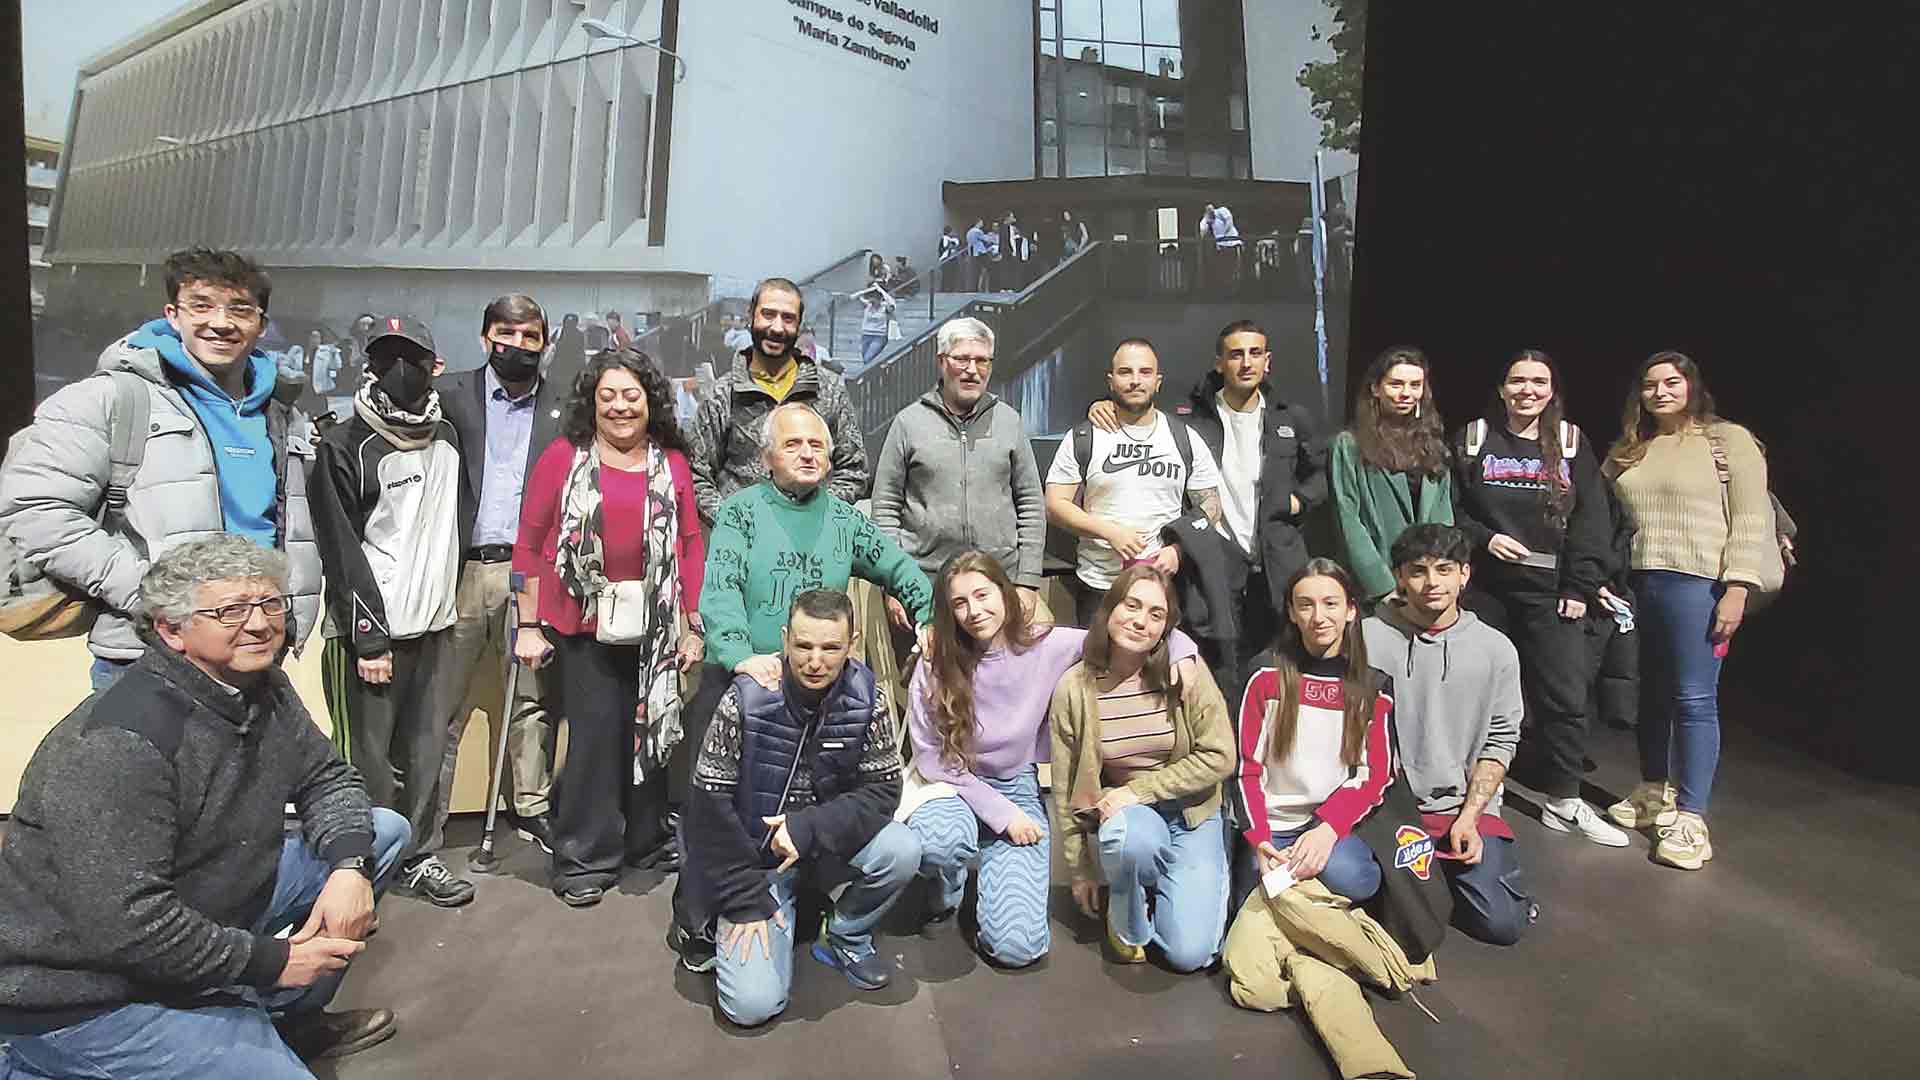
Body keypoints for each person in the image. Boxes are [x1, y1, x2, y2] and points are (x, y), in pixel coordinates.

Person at [0, 536, 409, 1077]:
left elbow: (327, 779)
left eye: (269, 603)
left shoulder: (263, 688)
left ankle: (281, 1019)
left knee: (380, 833)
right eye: (231, 611)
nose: (261, 624)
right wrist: (273, 962)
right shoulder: (120, 742)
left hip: (194, 908)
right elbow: (130, 925)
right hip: (87, 991)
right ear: (171, 631)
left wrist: (349, 868)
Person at [0, 247, 322, 691]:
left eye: (240, 309)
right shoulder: (110, 400)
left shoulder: (282, 415)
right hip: (150, 657)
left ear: (261, 325)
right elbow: (35, 509)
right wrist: (151, 596)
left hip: (258, 653)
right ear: (173, 314)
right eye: (202, 305)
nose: (222, 322)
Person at [903, 551, 1203, 967]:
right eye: (959, 603)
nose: (974, 611)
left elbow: (1121, 633)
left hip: (1015, 784)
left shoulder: (1045, 644)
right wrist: (1000, 814)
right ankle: (946, 883)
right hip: (950, 786)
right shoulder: (936, 660)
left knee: (1017, 949)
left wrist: (1182, 647)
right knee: (941, 840)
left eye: (982, 595)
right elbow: (933, 759)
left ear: (1004, 594)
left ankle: (993, 874)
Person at [512, 348, 706, 906]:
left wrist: (693, 627)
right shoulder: (562, 457)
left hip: (656, 624)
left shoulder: (671, 462)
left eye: (631, 395)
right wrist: (528, 623)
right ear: (590, 403)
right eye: (608, 397)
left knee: (651, 730)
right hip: (581, 622)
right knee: (597, 738)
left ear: (650, 402)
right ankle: (583, 858)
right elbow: (528, 542)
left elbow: (690, 545)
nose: (620, 407)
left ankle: (643, 843)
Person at [674, 589, 920, 1025]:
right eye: (803, 646)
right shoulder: (745, 698)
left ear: (853, 643)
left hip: (819, 847)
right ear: (786, 638)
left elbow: (883, 789)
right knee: (751, 1006)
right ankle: (764, 917)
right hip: (754, 865)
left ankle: (845, 935)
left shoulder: (869, 697)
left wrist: (807, 828)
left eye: (831, 648)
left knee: (902, 849)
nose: (815, 660)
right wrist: (745, 898)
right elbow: (708, 808)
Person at [308, 316, 474, 909]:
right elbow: (339, 547)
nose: (398, 369)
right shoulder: (343, 444)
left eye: (411, 357)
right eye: (387, 357)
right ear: (371, 364)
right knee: (366, 764)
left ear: (432, 365)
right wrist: (368, 640)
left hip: (435, 628)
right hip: (371, 640)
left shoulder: (450, 438)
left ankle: (420, 857)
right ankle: (356, 869)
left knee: (426, 751)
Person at [1451, 349, 1630, 847]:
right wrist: (1485, 539)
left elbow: (1594, 519)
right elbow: (1451, 509)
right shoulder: (1474, 439)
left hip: (1553, 591)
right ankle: (1482, 793)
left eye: (1539, 381)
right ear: (1502, 387)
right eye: (1518, 380)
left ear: (1552, 390)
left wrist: (1579, 584)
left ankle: (1564, 800)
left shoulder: (1571, 443)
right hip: (1486, 588)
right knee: (1481, 693)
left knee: (1566, 694)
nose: (1527, 389)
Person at [1089, 320, 1327, 693]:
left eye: (1254, 353)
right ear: (1220, 363)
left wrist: (1296, 503)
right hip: (1214, 563)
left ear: (1268, 361)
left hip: (1277, 562)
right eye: (1235, 354)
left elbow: (1319, 477)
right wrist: (1104, 406)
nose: (1246, 363)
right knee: (1220, 669)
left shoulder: (1291, 419)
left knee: (1283, 665)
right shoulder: (1190, 421)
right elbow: (1141, 413)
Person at [1602, 352, 1772, 870]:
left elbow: (1750, 517)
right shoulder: (1631, 449)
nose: (1660, 392)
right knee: (1650, 695)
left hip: (1697, 584)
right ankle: (1656, 790)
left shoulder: (1728, 441)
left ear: (1691, 386)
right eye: (1650, 384)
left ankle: (1693, 817)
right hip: (1637, 584)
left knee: (1694, 698)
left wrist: (1739, 587)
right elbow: (1594, 504)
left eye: (1671, 382)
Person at [429, 295, 567, 861]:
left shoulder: (564, 406)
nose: (518, 345)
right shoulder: (447, 397)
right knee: (444, 703)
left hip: (531, 572)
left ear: (544, 341)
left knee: (530, 700)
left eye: (530, 335)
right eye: (506, 334)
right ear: (486, 337)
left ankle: (530, 808)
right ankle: (425, 823)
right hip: (461, 568)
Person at [1050, 565, 1236, 970]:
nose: (1140, 621)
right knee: (1132, 844)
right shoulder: (1074, 689)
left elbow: (1221, 755)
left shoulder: (1185, 672)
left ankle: (1167, 882)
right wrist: (1080, 869)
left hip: (1192, 812)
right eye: (1131, 606)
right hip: (1130, 818)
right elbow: (1066, 790)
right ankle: (1127, 898)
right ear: (1109, 609)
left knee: (1190, 955)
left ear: (1167, 627)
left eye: (1156, 614)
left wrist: (1141, 789)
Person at [1362, 525, 1534, 945]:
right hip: (1387, 811)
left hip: (1460, 809)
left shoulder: (1496, 650)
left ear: (1465, 575)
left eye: (1444, 569)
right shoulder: (1364, 638)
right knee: (1369, 897)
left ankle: (1441, 882)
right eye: (1418, 571)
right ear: (1399, 577)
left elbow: (1500, 740)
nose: (1432, 583)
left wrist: (1472, 818)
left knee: (1502, 924)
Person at [698, 402, 934, 691]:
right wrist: (741, 658)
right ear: (766, 458)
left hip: (820, 684)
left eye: (816, 445)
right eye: (793, 445)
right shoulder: (739, 512)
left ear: (829, 460)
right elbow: (722, 590)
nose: (807, 454)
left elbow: (900, 568)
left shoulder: (845, 520)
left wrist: (928, 618)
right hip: (741, 677)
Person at [1231, 559, 1395, 907]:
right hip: (1270, 825)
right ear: (1291, 612)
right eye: (1305, 605)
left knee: (1357, 879)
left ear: (1351, 610)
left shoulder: (1373, 687)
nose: (1318, 616)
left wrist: (1328, 829)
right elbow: (1246, 768)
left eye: (1330, 603)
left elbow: (1376, 775)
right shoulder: (1264, 676)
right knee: (1249, 902)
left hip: (1327, 826)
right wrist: (1260, 838)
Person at [870, 317, 1046, 613]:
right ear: (941, 362)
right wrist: (894, 582)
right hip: (924, 584)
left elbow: (1031, 504)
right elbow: (886, 508)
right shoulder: (908, 423)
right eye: (962, 359)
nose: (972, 370)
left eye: (982, 361)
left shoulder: (1009, 422)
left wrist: (1027, 582)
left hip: (997, 581)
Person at [1045, 338, 1225, 626]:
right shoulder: (1084, 437)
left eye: (1144, 372)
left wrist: (1179, 551)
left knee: (1159, 671)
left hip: (1161, 589)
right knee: (1098, 672)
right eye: (1125, 372)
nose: (1135, 381)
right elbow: (1054, 505)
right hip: (1099, 587)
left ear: (1158, 381)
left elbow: (1211, 505)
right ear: (1111, 380)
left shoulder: (1185, 439)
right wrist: (1109, 532)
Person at [684, 276, 868, 526]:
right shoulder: (723, 394)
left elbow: (854, 470)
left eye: (788, 318)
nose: (777, 328)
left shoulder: (829, 389)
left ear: (800, 324)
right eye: (768, 314)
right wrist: (734, 523)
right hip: (744, 551)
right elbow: (696, 474)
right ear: (751, 316)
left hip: (814, 545)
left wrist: (815, 517)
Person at [1330, 347, 1455, 607]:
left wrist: (1441, 578)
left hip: (1426, 586)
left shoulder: (1433, 444)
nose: (1406, 393)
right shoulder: (1350, 444)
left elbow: (1444, 519)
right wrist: (1383, 587)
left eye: (1415, 385)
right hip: (1378, 588)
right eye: (1396, 384)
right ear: (1376, 388)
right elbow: (1348, 520)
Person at [856, 282, 897, 368]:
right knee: (866, 360)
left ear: (880, 298)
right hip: (866, 335)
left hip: (879, 336)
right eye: (872, 298)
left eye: (876, 298)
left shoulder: (885, 307)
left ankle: (868, 378)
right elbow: (855, 296)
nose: (874, 300)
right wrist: (868, 290)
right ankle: (874, 376)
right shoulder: (868, 306)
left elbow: (892, 304)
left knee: (868, 358)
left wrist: (880, 289)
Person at [966, 217, 993, 292]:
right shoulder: (977, 231)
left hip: (973, 253)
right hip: (981, 252)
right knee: (986, 269)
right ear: (978, 223)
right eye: (981, 222)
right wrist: (991, 237)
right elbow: (987, 239)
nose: (982, 224)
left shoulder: (969, 232)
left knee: (979, 270)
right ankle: (983, 287)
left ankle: (979, 287)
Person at [938, 225, 961, 290]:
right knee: (949, 275)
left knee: (948, 275)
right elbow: (944, 248)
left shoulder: (947, 239)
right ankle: (947, 288)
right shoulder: (946, 239)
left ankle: (946, 288)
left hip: (948, 259)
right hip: (948, 259)